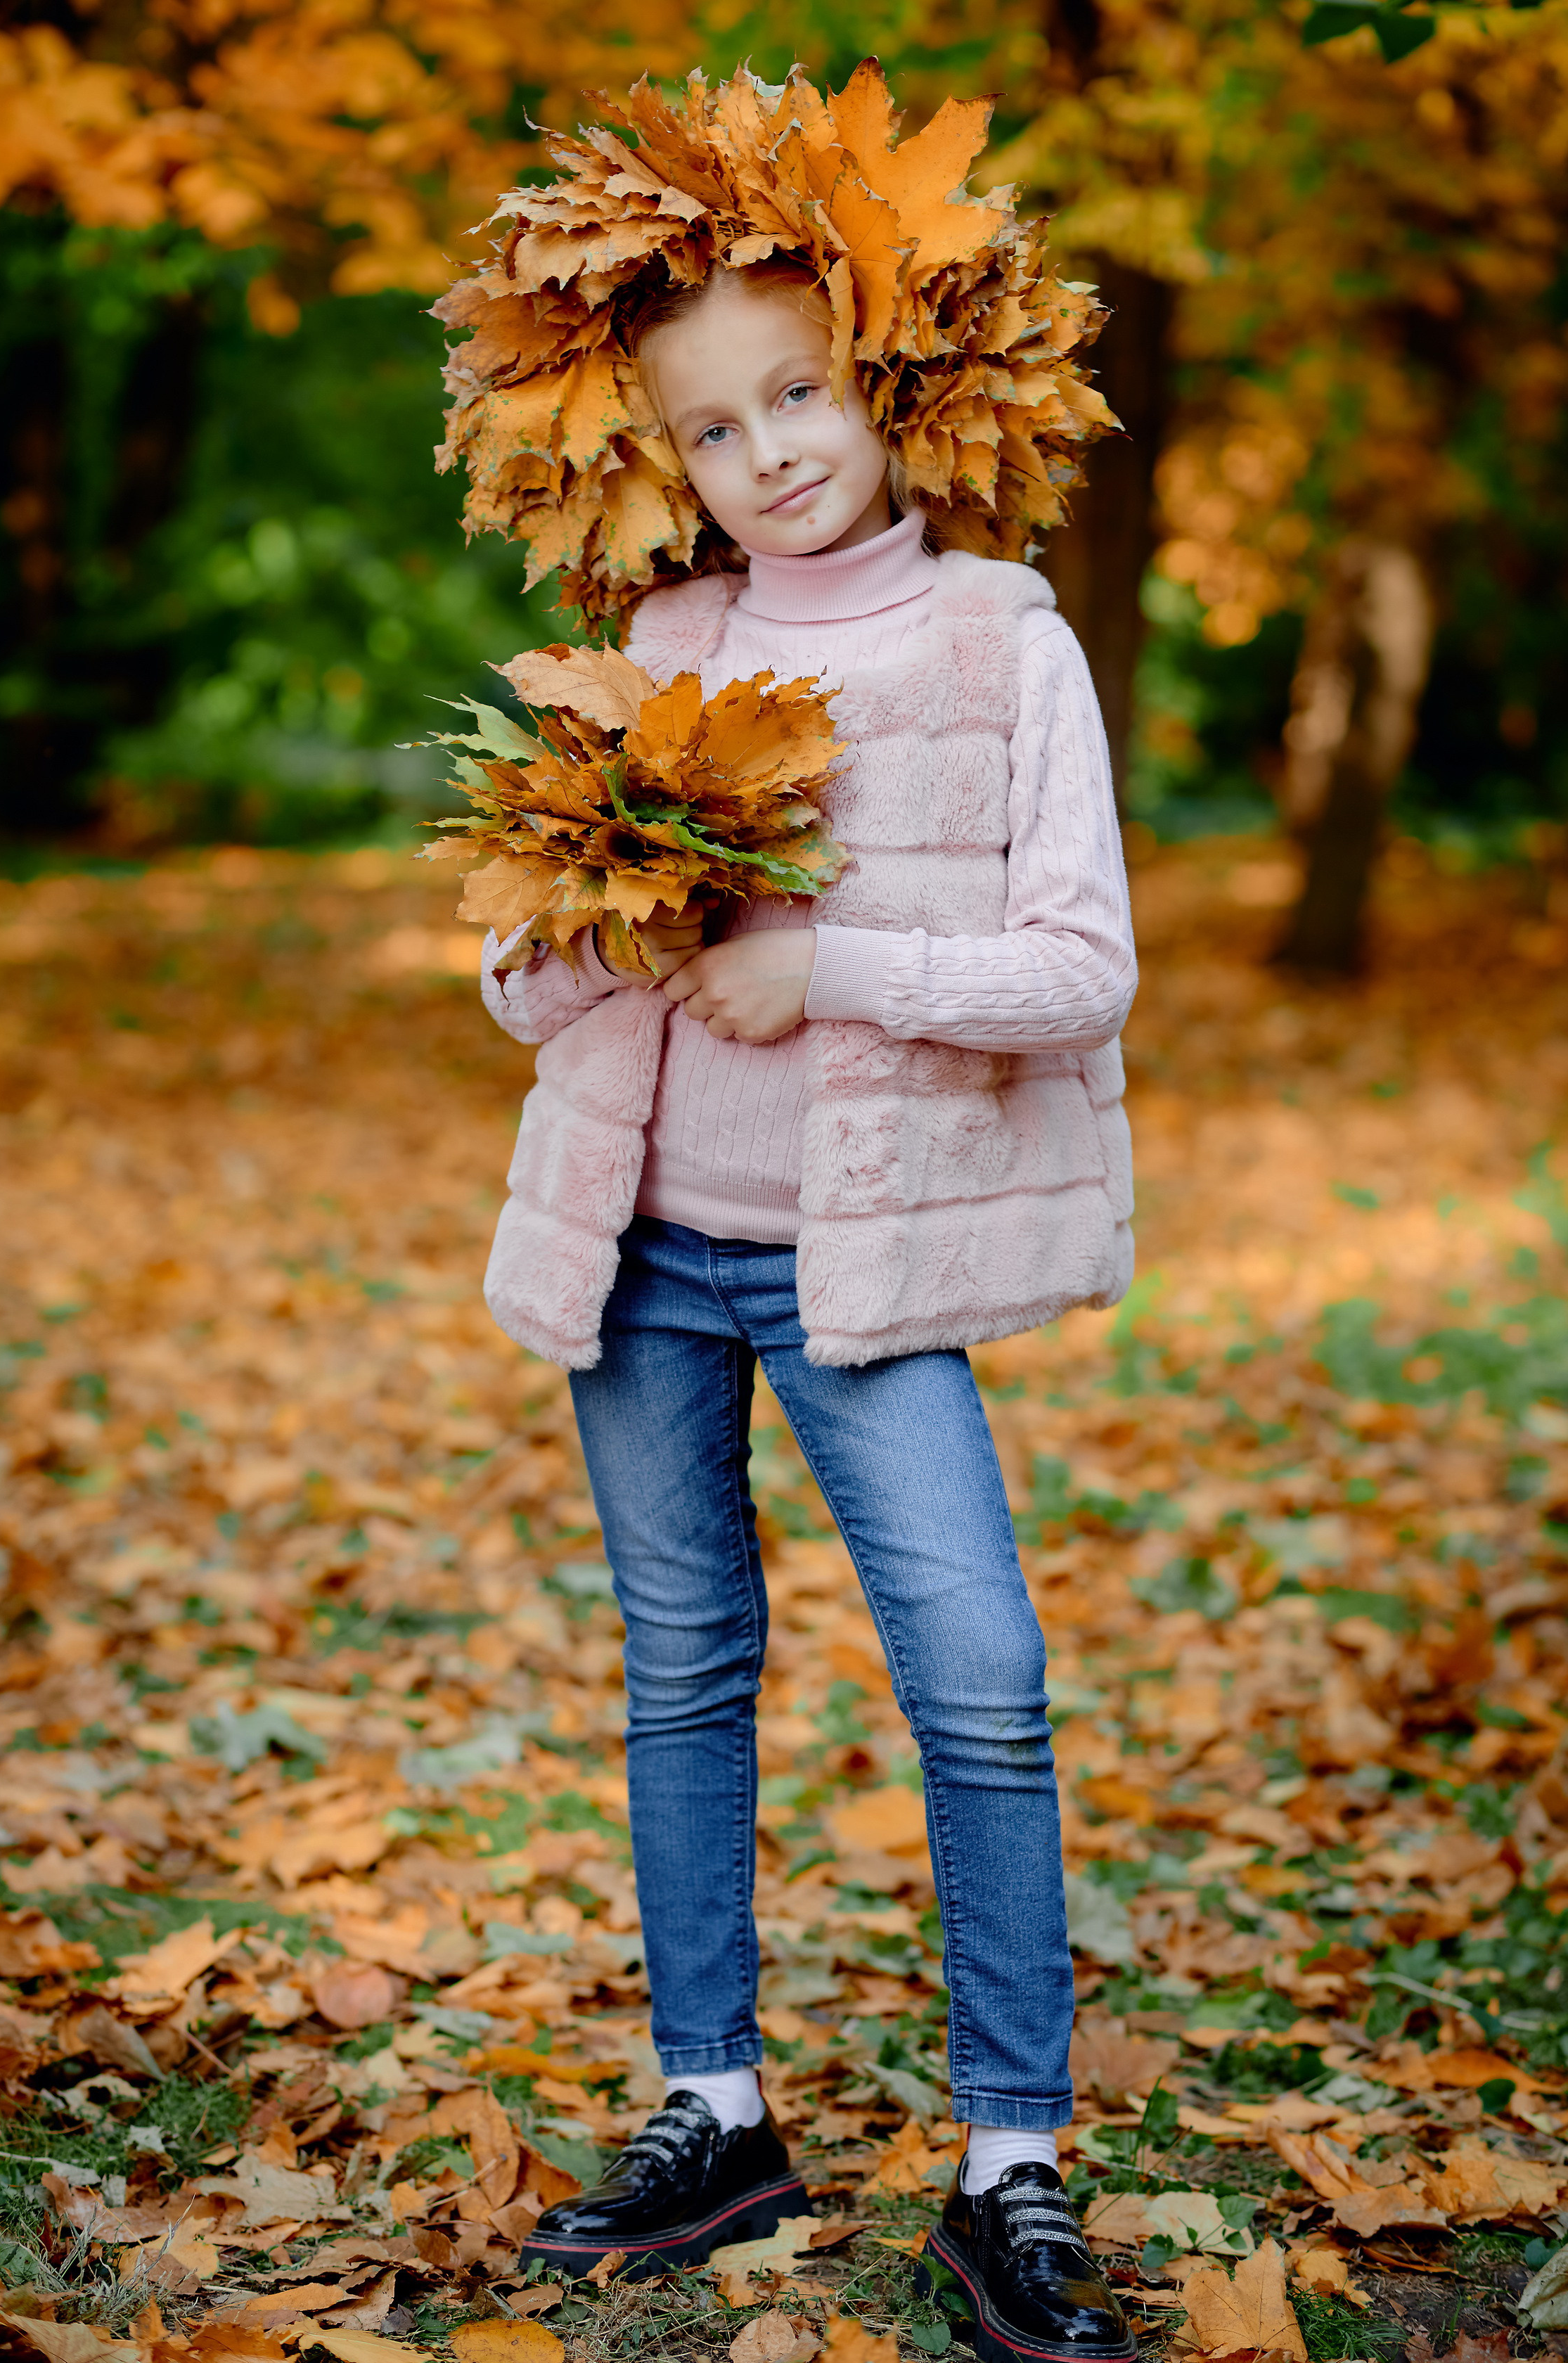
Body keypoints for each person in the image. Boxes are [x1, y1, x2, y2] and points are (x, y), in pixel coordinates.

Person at [442, 64, 1138, 2362]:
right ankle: (712, 2104)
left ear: (891, 367)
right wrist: (581, 937)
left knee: (985, 1685)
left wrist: (820, 962)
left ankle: (1012, 2156)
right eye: (719, 428)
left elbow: (1079, 970)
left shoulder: (997, 644)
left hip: (857, 1270)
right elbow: (519, 976)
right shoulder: (652, 650)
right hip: (642, 1252)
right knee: (684, 1665)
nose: (774, 451)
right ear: (666, 458)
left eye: (804, 392)